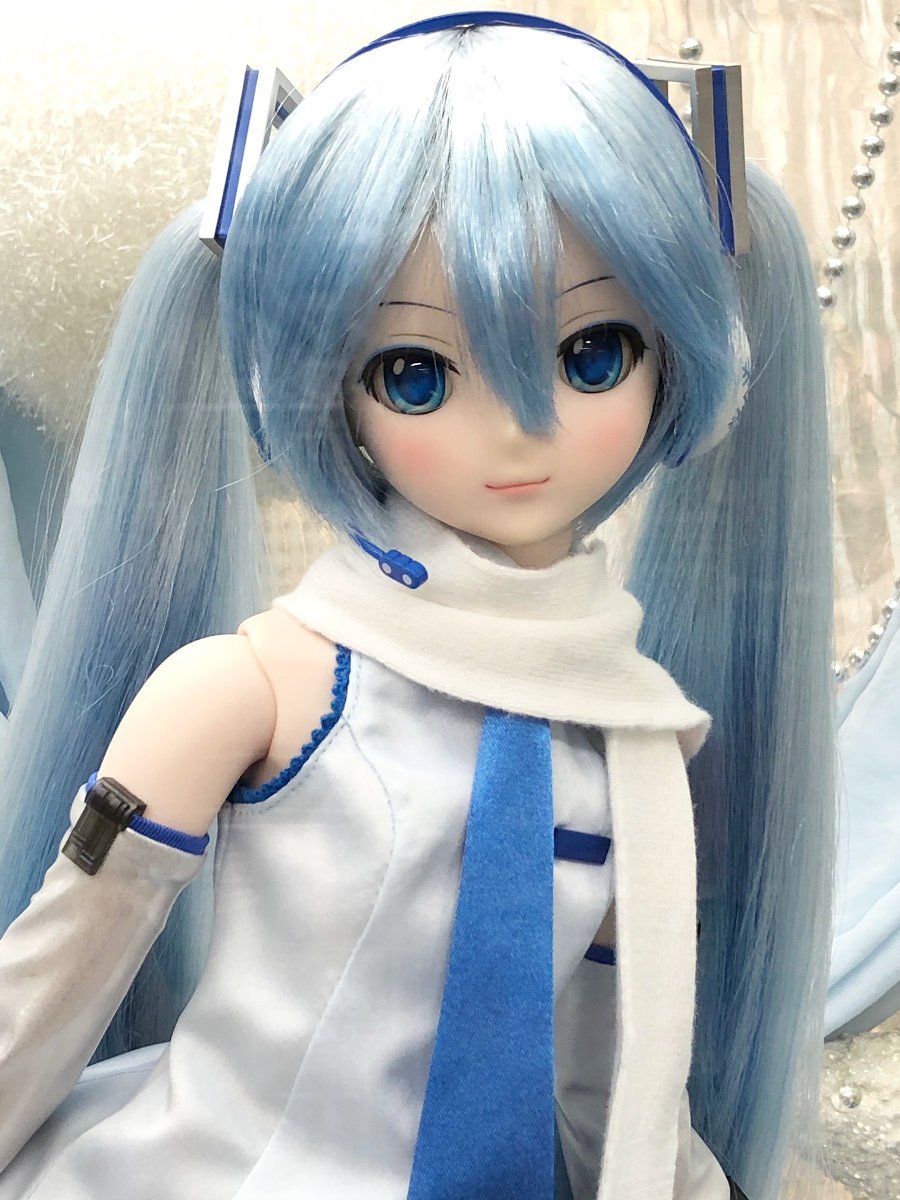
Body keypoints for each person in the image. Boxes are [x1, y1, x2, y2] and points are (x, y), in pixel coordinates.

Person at [0, 13, 834, 1200]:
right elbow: (49, 986)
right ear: (331, 392)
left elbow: (610, 1077)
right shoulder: (256, 688)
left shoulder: (636, 742)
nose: (519, 431)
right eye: (417, 372)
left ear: (676, 358)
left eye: (592, 354)